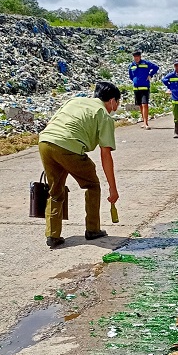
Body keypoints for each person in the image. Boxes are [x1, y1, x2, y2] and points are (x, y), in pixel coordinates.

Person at [38, 81, 120, 249]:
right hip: (68, 146)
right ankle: (92, 229)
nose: (116, 107)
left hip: (45, 142)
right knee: (92, 185)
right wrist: (113, 188)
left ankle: (52, 235)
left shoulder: (74, 100)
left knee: (55, 190)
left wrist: (54, 157)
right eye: (118, 102)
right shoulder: (103, 114)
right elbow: (105, 154)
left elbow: (55, 123)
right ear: (112, 100)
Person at [128, 50, 159, 129]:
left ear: (140, 56)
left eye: (137, 56)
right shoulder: (132, 65)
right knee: (140, 105)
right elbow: (131, 76)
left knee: (145, 104)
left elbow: (156, 67)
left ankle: (146, 123)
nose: (136, 58)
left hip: (145, 88)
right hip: (136, 88)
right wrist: (135, 81)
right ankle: (143, 121)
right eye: (135, 57)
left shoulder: (146, 63)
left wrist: (150, 75)